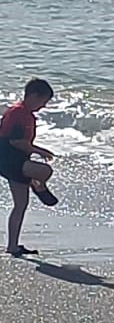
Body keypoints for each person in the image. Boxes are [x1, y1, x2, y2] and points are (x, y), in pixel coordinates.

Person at [0, 78, 58, 257]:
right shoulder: (18, 112)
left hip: (15, 160)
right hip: (9, 159)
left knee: (21, 205)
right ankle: (36, 183)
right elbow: (16, 141)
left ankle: (13, 246)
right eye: (43, 101)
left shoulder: (28, 115)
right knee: (45, 171)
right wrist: (39, 151)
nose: (43, 106)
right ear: (33, 96)